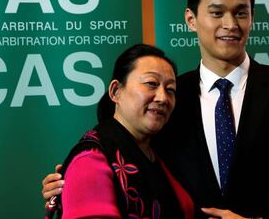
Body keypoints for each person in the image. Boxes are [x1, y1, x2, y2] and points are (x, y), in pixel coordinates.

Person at [42, 0, 269, 219]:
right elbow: (124, 158)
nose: (230, 24)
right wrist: (69, 181)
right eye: (216, 13)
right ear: (191, 19)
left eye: (241, 12)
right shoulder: (169, 100)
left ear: (253, 17)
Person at [46, 44, 194, 219]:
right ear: (116, 91)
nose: (163, 98)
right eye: (151, 84)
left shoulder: (160, 153)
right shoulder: (91, 158)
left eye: (170, 90)